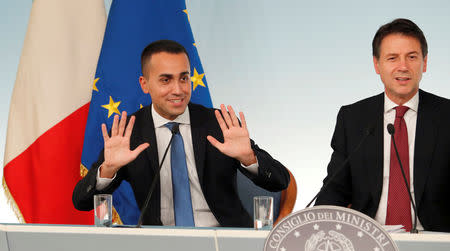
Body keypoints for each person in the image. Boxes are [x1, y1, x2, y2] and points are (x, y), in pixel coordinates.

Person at [73, 40, 290, 227]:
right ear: (145, 84)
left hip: (224, 239)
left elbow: (280, 181)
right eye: (166, 80)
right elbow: (81, 201)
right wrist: (109, 169)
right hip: (161, 247)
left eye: (184, 78)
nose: (178, 90)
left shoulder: (218, 124)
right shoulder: (130, 132)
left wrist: (248, 158)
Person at [315, 18, 450, 232]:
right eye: (392, 58)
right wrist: (319, 229)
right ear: (377, 65)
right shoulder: (353, 118)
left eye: (412, 57)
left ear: (424, 62)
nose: (403, 67)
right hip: (369, 239)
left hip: (436, 239)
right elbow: (334, 190)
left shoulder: (446, 116)